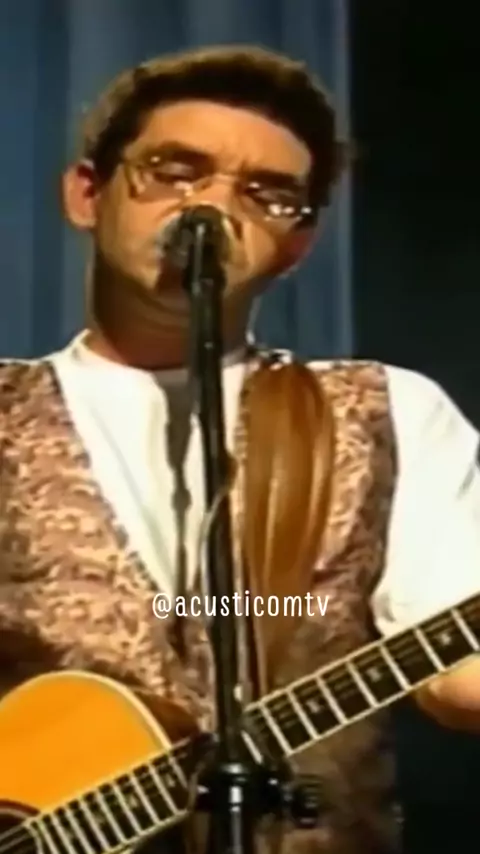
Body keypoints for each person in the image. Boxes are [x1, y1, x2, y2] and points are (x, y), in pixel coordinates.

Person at [1, 44, 480, 854]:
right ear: (87, 194)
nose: (213, 208)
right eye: (175, 170)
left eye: (267, 194)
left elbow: (456, 675)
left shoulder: (385, 411)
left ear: (298, 244)